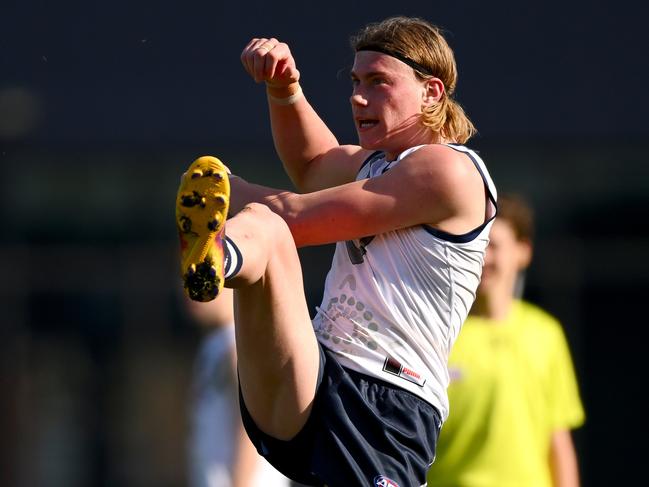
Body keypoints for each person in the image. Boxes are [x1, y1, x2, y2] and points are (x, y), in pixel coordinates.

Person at [175, 16, 497, 486]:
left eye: (378, 82)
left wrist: (226, 191)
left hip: (385, 405)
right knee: (263, 226)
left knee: (269, 225)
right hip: (314, 377)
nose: (358, 97)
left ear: (432, 92)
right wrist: (284, 89)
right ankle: (218, 261)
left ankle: (223, 256)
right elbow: (311, 165)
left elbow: (301, 219)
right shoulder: (380, 164)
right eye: (355, 81)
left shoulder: (449, 172)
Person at [426, 194, 585, 487]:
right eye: (478, 246)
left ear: (523, 252)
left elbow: (558, 439)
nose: (484, 258)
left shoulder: (545, 333)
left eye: (494, 246)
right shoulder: (435, 332)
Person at [184, 287, 293, 487]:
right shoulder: (216, 344)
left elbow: (250, 423)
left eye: (204, 274)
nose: (189, 288)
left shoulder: (238, 343)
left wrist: (240, 482)